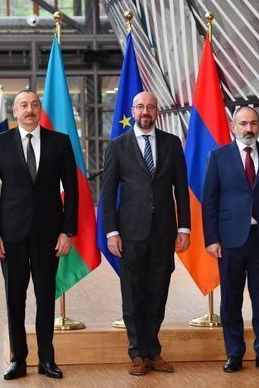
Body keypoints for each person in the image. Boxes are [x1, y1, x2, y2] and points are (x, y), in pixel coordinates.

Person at [0, 89, 78, 380]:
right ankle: (18, 359)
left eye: (35, 104)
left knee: (46, 297)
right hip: (10, 235)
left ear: (40, 109)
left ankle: (47, 359)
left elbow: (72, 191)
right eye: (23, 105)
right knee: (15, 298)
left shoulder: (59, 142)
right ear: (15, 111)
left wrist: (67, 231)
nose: (30, 109)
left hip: (48, 235)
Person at [101, 91, 190, 376]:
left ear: (156, 112)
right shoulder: (118, 146)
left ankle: (153, 352)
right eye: (140, 107)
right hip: (129, 233)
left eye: (150, 107)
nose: (145, 112)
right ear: (133, 111)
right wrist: (111, 232)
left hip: (164, 232)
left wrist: (184, 227)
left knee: (157, 292)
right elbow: (107, 193)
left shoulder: (172, 144)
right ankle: (136, 353)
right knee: (133, 293)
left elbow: (181, 188)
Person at [202, 106, 259, 373]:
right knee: (231, 300)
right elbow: (210, 201)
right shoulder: (218, 157)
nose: (248, 128)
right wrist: (212, 238)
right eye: (243, 124)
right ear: (234, 127)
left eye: (253, 123)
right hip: (230, 241)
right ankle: (234, 354)